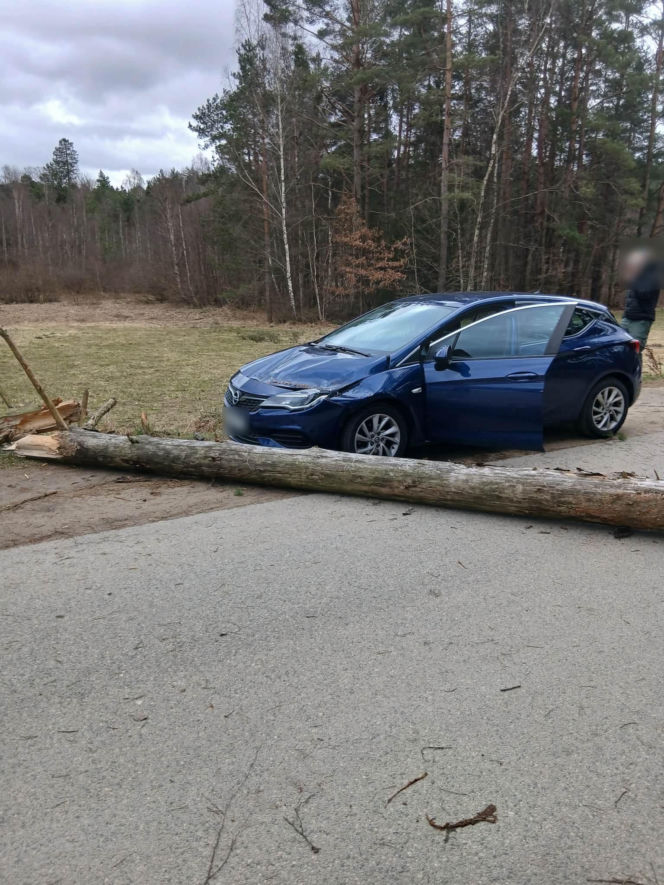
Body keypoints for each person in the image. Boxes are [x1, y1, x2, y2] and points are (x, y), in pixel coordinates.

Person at [619, 246, 663, 349]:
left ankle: (636, 366)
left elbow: (645, 295)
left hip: (641, 319)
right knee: (620, 347)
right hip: (628, 317)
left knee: (635, 349)